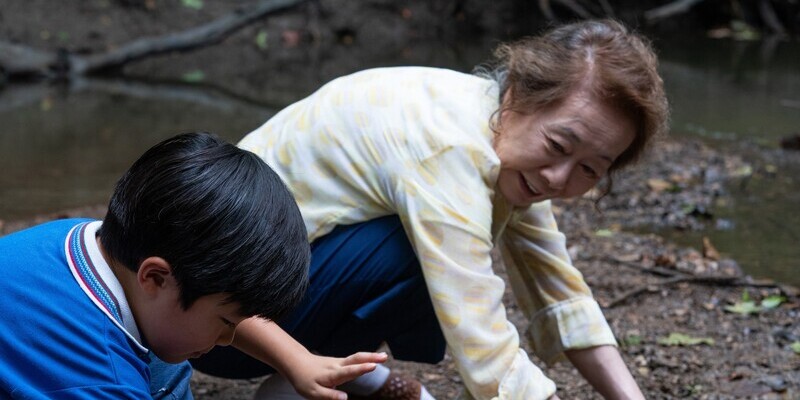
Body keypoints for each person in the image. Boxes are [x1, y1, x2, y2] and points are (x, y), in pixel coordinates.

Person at [191, 19, 669, 399]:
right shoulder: (450, 150)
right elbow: (478, 326)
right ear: (521, 94)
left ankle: (334, 373)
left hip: (249, 302)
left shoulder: (497, 129)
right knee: (419, 251)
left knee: (424, 241)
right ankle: (308, 375)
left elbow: (558, 289)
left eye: (589, 169)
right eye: (559, 145)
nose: (559, 178)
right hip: (214, 322)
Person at [0, 132, 385, 399]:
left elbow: (212, 296)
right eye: (226, 323)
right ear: (154, 277)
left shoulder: (92, 240)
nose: (228, 339)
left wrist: (298, 360)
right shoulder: (102, 378)